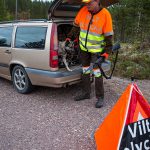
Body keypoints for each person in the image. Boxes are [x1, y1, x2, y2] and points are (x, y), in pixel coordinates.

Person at [67, 0, 113, 108]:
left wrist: (106, 52)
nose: (86, 5)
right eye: (85, 2)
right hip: (83, 48)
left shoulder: (105, 14)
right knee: (85, 70)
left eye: (89, 3)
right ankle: (86, 93)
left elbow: (108, 37)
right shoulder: (83, 11)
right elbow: (76, 27)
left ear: (97, 1)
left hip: (96, 50)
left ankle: (100, 97)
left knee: (97, 72)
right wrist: (70, 37)